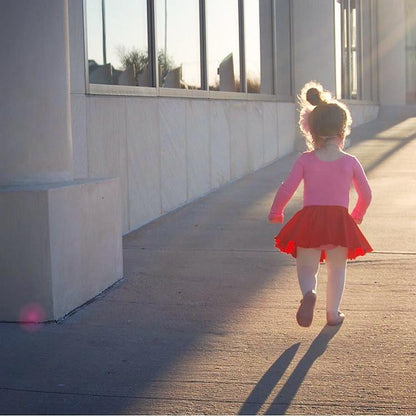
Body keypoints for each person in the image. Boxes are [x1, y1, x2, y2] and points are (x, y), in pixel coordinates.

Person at [268, 81, 372, 327]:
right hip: (338, 222)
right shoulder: (350, 162)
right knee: (337, 270)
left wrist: (276, 211)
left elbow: (287, 187)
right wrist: (357, 214)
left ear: (311, 131)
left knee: (306, 267)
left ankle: (308, 294)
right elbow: (366, 193)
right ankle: (333, 314)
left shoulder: (306, 160)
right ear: (343, 130)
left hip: (310, 222)